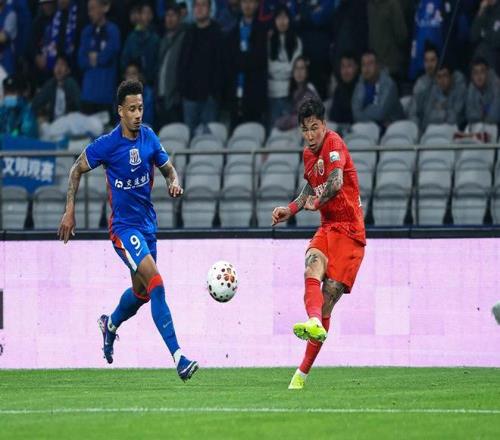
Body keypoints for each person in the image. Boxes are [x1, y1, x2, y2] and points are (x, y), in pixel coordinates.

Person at [57, 79, 199, 381]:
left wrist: (174, 182)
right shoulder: (108, 145)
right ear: (120, 111)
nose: (137, 114)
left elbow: (168, 169)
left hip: (148, 226)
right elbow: (76, 169)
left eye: (141, 108)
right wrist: (69, 211)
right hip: (124, 229)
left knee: (141, 293)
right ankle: (179, 358)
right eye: (132, 109)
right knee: (157, 283)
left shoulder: (149, 137)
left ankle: (109, 325)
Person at [271, 98, 365, 389]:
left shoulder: (334, 143)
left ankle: (301, 373)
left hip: (350, 231)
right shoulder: (307, 154)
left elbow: (334, 183)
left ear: (324, 125)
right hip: (328, 227)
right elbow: (309, 187)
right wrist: (291, 209)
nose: (310, 135)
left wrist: (316, 202)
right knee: (311, 265)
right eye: (305, 129)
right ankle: (312, 320)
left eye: (315, 128)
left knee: (328, 300)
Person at [78, 0, 121, 117]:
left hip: (105, 94)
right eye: (88, 10)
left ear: (104, 8)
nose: (90, 13)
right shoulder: (86, 32)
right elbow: (81, 60)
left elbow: (107, 56)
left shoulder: (113, 30)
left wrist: (95, 57)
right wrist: (97, 57)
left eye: (93, 8)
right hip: (87, 94)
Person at [267, 5, 302, 128]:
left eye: (285, 17)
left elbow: (296, 67)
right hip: (272, 93)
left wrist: (279, 69)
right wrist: (286, 68)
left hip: (290, 92)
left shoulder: (296, 41)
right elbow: (269, 68)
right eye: (279, 18)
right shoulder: (269, 40)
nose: (282, 21)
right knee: (274, 129)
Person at [351, 50, 404, 127]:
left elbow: (380, 113)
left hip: (393, 127)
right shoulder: (360, 84)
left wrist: (365, 110)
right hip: (370, 126)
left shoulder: (389, 84)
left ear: (378, 66)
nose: (366, 68)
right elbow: (355, 114)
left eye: (370, 64)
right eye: (363, 64)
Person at [156, 3, 186, 128]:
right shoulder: (163, 40)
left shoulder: (185, 38)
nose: (169, 19)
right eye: (167, 15)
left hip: (176, 99)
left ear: (180, 18)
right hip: (162, 96)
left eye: (173, 15)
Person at [32, 54, 80, 122]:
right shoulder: (51, 84)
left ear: (68, 70)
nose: (59, 68)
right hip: (53, 123)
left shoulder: (71, 83)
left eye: (62, 65)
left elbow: (79, 106)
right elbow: (37, 102)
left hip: (68, 123)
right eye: (57, 64)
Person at [274, 55, 317, 131]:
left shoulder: (309, 94)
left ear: (307, 71)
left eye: (302, 68)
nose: (299, 72)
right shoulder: (291, 92)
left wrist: (286, 121)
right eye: (296, 68)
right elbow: (278, 120)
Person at [466, 57, 500, 126]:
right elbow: (469, 114)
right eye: (475, 73)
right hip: (479, 126)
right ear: (471, 76)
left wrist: (480, 114)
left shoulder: (496, 84)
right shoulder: (472, 86)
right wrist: (483, 113)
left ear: (487, 73)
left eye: (482, 72)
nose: (479, 76)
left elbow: (495, 117)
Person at [329, 53, 359, 124]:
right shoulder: (339, 89)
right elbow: (333, 117)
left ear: (356, 67)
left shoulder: (361, 87)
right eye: (343, 66)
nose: (345, 71)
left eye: (349, 66)